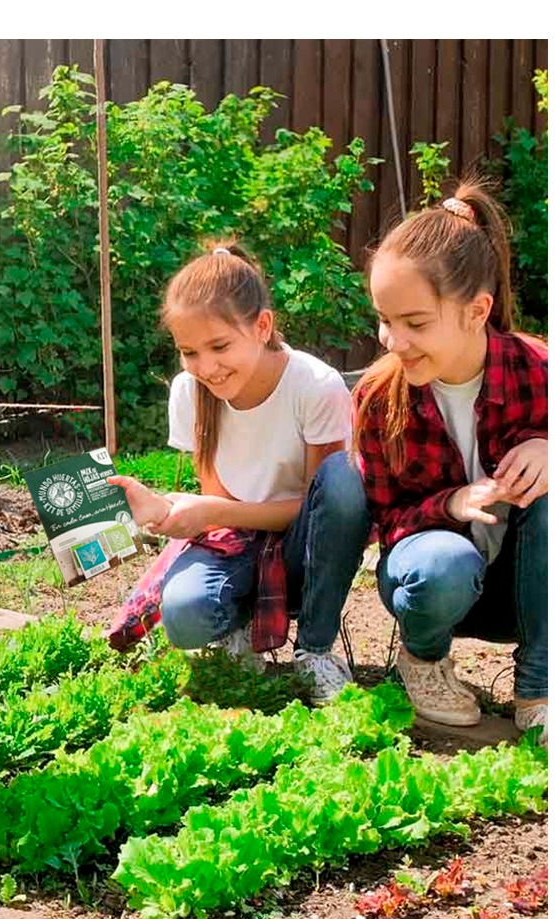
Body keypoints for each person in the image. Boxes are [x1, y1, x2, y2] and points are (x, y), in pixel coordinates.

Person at [107, 239, 370, 704]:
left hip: (307, 544)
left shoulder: (314, 386)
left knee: (346, 481)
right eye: (189, 351)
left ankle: (315, 651)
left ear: (262, 326)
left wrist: (212, 512)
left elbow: (325, 507)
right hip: (239, 538)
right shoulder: (190, 391)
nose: (206, 366)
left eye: (219, 346)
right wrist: (163, 509)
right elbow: (218, 502)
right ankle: (237, 628)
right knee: (186, 614)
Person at [353, 181, 547, 744]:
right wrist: (452, 505)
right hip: (436, 589)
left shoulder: (541, 370)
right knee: (440, 565)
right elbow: (386, 522)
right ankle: (424, 662)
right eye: (384, 319)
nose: (394, 340)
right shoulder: (378, 396)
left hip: (526, 593)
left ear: (476, 311)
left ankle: (540, 689)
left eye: (415, 322)